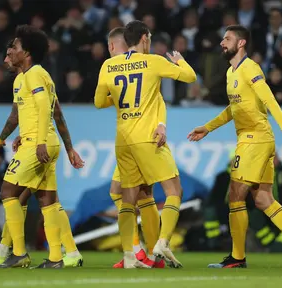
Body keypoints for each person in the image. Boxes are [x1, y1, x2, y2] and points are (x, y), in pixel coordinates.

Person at [188, 24, 282, 270]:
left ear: (240, 43)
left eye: (227, 38)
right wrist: (208, 127)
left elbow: (268, 98)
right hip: (254, 139)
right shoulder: (231, 73)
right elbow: (234, 109)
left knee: (235, 194)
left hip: (255, 138)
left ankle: (237, 256)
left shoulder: (250, 68)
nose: (222, 42)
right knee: (263, 199)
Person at [94, 20, 196, 269]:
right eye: (149, 37)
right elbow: (190, 77)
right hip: (147, 139)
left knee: (129, 198)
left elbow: (99, 102)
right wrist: (179, 60)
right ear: (144, 38)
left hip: (123, 140)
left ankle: (131, 255)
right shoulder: (154, 61)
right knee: (174, 191)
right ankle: (161, 243)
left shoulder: (109, 65)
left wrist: (121, 99)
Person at [0, 40, 84, 268]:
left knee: (9, 192)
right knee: (47, 200)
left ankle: (18, 252)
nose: (6, 59)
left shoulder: (33, 75)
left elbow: (46, 109)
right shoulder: (26, 78)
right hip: (40, 140)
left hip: (38, 144)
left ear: (26, 53)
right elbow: (52, 114)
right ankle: (57, 256)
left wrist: (38, 140)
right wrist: (67, 147)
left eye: (10, 52)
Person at [107, 27, 164, 269]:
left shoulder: (113, 67)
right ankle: (145, 252)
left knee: (136, 194)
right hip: (142, 137)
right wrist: (161, 124)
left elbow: (99, 100)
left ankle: (145, 252)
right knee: (136, 194)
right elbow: (158, 97)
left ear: (112, 47)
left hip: (135, 139)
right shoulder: (144, 64)